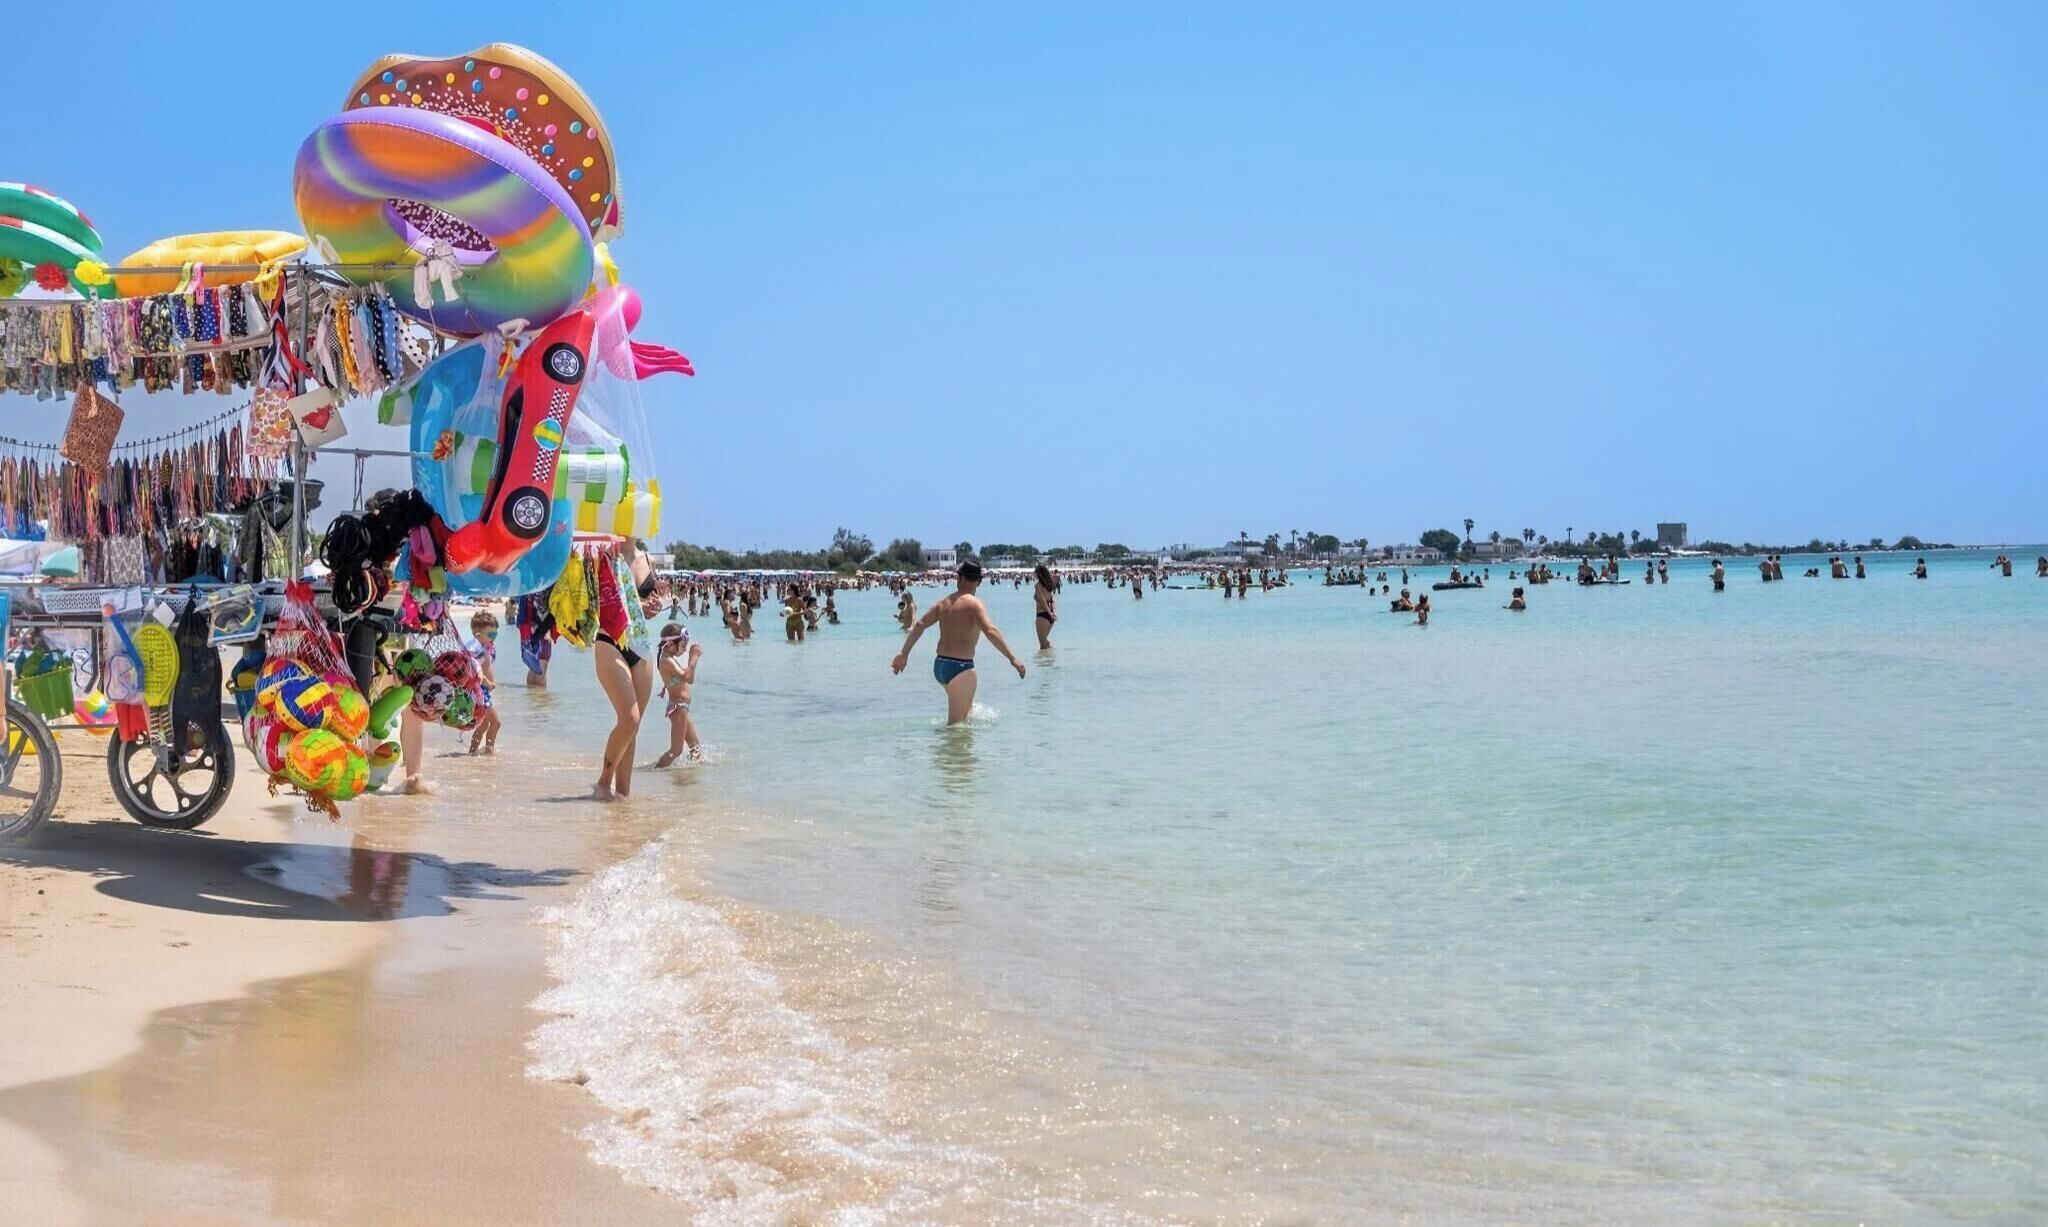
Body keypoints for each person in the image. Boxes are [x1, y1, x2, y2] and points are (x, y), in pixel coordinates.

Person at [891, 562, 1026, 726]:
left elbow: (919, 625)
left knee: (966, 713)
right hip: (961, 669)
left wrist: (903, 653)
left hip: (940, 666)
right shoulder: (974, 604)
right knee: (955, 727)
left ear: (959, 578)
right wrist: (1013, 658)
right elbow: (990, 631)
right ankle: (947, 750)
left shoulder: (943, 603)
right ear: (979, 581)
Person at [593, 541, 662, 801]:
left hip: (641, 643)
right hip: (610, 637)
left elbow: (643, 607)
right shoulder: (605, 551)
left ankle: (622, 800)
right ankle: (603, 781)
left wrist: (651, 609)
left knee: (633, 728)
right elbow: (596, 601)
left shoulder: (648, 559)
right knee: (629, 719)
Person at [653, 623, 703, 767]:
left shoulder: (669, 659)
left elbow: (690, 678)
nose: (685, 649)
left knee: (695, 748)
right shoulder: (667, 661)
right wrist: (694, 657)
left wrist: (691, 660)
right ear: (669, 644)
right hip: (678, 707)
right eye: (682, 645)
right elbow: (687, 677)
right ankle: (655, 772)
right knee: (676, 750)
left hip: (683, 707)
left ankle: (688, 778)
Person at [467, 609, 502, 755]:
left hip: (483, 691)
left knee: (485, 724)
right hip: (479, 690)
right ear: (478, 634)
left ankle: (472, 752)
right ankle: (489, 752)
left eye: (495, 634)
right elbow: (472, 666)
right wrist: (487, 681)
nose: (493, 638)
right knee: (496, 723)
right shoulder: (474, 647)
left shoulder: (484, 646)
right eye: (491, 634)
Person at [1033, 564, 1059, 649]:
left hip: (1042, 616)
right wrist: (1053, 613)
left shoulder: (1038, 586)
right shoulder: (1048, 585)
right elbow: (1052, 600)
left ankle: (1045, 662)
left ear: (1039, 574)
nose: (1033, 573)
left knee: (1043, 646)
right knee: (1045, 642)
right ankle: (1053, 659)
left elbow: (1043, 601)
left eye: (1035, 572)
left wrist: (1050, 613)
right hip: (1050, 618)